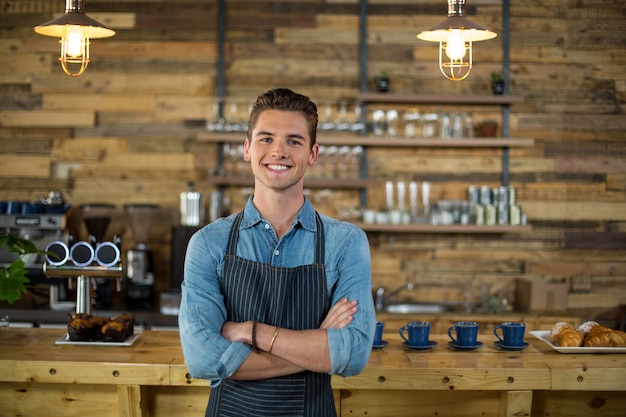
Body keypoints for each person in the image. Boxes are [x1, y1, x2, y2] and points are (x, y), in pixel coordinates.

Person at [179, 88, 375, 417]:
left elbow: (353, 355)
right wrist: (318, 345)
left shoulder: (347, 243)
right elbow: (203, 360)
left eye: (294, 141)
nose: (279, 151)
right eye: (266, 139)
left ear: (312, 154)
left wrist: (253, 333)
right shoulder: (208, 243)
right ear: (247, 149)